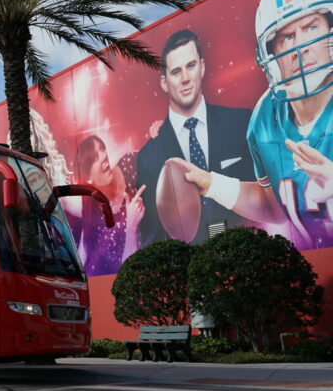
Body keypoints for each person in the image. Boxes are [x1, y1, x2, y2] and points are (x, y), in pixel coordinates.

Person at [178, 0, 333, 250]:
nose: (302, 46)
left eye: (311, 27)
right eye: (287, 36)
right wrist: (211, 183)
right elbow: (271, 204)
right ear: (270, 51)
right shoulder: (264, 119)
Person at [135, 29, 254, 246]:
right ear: (164, 82)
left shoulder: (241, 123)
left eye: (191, 66)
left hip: (246, 258)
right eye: (176, 71)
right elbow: (153, 233)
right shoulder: (148, 157)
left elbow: (263, 195)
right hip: (189, 272)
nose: (185, 79)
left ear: (202, 67)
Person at [72, 135, 144, 275]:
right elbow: (127, 274)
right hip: (123, 282)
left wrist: (158, 132)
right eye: (94, 158)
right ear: (87, 178)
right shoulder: (92, 213)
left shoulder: (129, 164)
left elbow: (156, 154)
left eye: (102, 149)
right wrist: (131, 227)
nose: (104, 156)